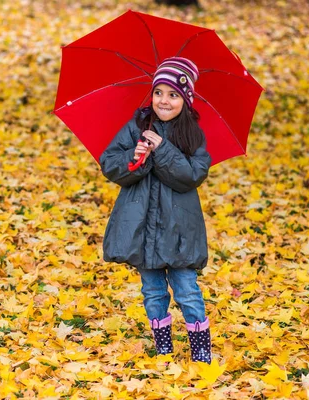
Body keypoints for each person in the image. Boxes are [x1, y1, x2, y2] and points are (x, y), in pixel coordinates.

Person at [99, 57, 212, 364]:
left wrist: (162, 150)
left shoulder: (193, 135)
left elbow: (191, 176)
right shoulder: (137, 126)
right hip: (142, 229)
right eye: (159, 92)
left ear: (185, 101)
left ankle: (201, 349)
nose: (165, 100)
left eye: (173, 95)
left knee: (187, 289)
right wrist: (134, 158)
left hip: (178, 230)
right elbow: (110, 163)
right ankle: (163, 347)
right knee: (152, 290)